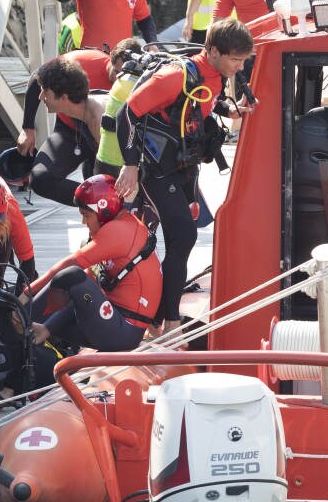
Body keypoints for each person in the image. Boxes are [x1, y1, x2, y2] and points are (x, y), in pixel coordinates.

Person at [114, 19, 253, 336]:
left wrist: (227, 111)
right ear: (214, 51)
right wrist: (131, 164)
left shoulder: (216, 74)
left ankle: (160, 318)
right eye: (236, 59)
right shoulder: (174, 77)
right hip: (155, 166)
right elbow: (126, 115)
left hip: (181, 163)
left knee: (181, 237)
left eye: (244, 60)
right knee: (184, 236)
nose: (241, 66)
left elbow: (200, 102)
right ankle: (168, 322)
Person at [25, 175, 161, 351]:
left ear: (104, 211)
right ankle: (28, 329)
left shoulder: (117, 231)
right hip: (115, 321)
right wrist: (48, 328)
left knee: (72, 275)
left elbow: (72, 265)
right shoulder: (119, 223)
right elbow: (84, 287)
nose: (83, 222)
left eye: (86, 215)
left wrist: (27, 293)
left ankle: (19, 320)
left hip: (123, 330)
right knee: (78, 276)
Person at [17, 48, 113, 204]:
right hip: (69, 128)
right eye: (117, 72)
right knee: (41, 178)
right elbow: (38, 79)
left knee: (103, 182)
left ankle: (105, 205)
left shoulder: (123, 87)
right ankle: (95, 203)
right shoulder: (84, 62)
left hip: (104, 131)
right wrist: (27, 128)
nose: (120, 78)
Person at [95, 37, 144, 178]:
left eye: (122, 71)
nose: (119, 77)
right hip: (119, 166)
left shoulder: (121, 84)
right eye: (116, 72)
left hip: (107, 163)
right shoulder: (129, 86)